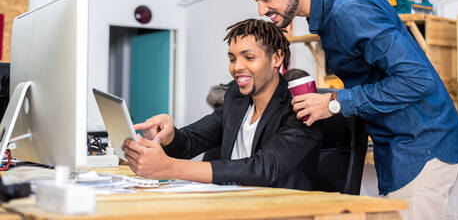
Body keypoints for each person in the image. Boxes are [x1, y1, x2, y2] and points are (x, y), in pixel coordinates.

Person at [240, 0, 458, 220]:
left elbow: (417, 80)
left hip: (421, 146)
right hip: (400, 146)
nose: (262, 10)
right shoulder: (331, 7)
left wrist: (335, 103)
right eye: (257, 1)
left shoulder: (348, 10)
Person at [122, 19, 322, 190]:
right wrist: (168, 135)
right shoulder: (236, 98)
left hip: (280, 211)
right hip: (230, 204)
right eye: (232, 59)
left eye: (249, 57)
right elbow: (191, 141)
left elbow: (263, 168)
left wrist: (170, 167)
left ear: (277, 58)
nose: (237, 67)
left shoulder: (301, 105)